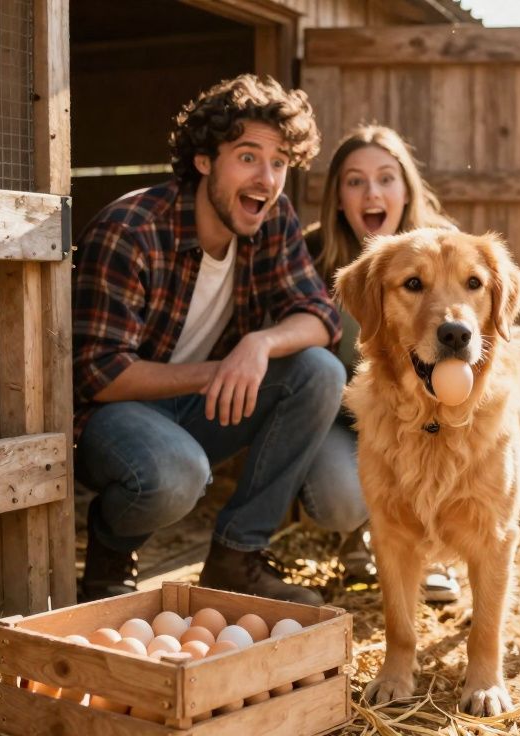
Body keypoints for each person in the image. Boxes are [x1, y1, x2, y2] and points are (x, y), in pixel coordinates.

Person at [72, 75, 367, 605]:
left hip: (200, 409)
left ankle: (236, 557)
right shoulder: (132, 228)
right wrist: (221, 371)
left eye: (279, 163)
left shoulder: (271, 220)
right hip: (114, 419)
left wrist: (256, 344)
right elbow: (99, 373)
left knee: (319, 370)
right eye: (249, 157)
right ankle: (110, 555)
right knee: (177, 473)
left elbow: (322, 317)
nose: (267, 178)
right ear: (205, 160)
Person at [303, 123, 462, 602]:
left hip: (430, 416)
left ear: (406, 189)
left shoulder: (447, 247)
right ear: (338, 197)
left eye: (386, 178)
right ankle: (360, 537)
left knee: (440, 447)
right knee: (338, 500)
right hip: (344, 421)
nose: (372, 192)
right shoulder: (310, 254)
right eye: (355, 181)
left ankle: (434, 550)